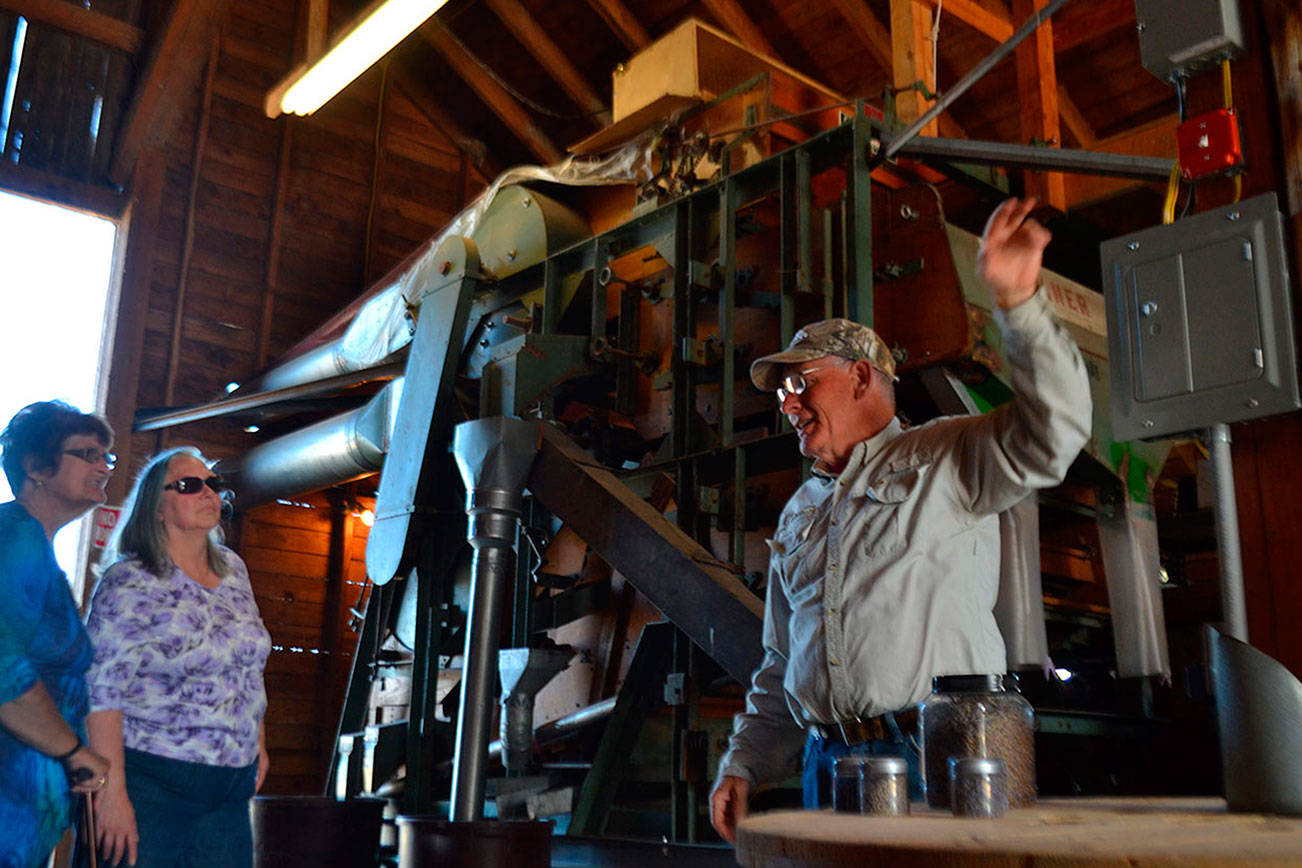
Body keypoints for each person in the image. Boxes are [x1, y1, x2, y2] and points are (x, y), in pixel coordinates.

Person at [709, 198, 1093, 842]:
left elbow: (1056, 431)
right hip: (822, 765)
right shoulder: (803, 511)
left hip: (932, 760)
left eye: (801, 383)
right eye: (781, 395)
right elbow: (781, 662)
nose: (789, 405)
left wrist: (1020, 306)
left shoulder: (941, 457)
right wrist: (743, 760)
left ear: (861, 376)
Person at [85, 447, 271, 868]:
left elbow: (248, 661)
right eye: (189, 485)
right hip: (154, 779)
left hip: (230, 784)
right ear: (157, 508)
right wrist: (111, 796)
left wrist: (257, 740)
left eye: (213, 484)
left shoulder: (234, 570)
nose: (207, 492)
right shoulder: (130, 580)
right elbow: (101, 694)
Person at [0, 401, 115, 867]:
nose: (103, 467)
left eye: (106, 457)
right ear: (35, 467)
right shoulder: (16, 539)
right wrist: (73, 751)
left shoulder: (35, 545)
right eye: (87, 453)